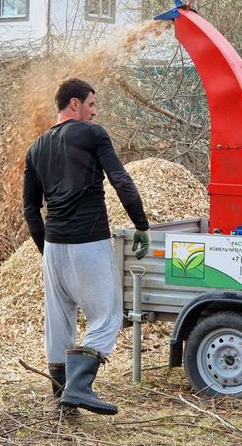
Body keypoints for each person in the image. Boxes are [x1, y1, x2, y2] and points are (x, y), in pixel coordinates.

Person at [23, 78, 150, 415]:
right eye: (92, 104)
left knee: (59, 323)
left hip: (54, 246)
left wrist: (46, 249)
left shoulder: (36, 148)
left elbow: (30, 210)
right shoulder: (93, 135)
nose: (95, 112)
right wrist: (141, 225)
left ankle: (64, 402)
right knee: (107, 317)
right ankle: (79, 387)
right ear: (75, 104)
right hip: (89, 241)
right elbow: (120, 180)